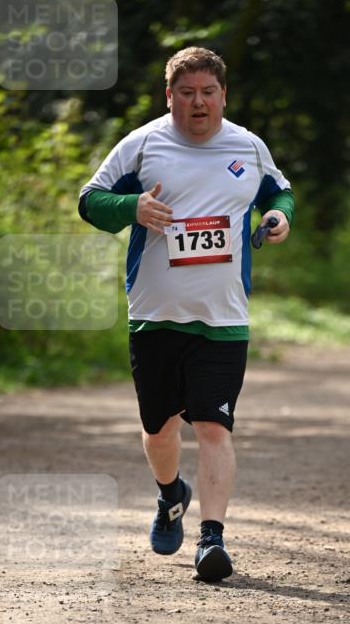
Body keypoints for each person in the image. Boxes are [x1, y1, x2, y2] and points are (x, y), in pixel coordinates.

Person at [78, 47, 294, 581]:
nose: (199, 103)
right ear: (169, 95)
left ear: (224, 95)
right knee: (159, 429)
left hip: (223, 318)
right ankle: (171, 493)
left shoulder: (247, 145)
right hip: (155, 314)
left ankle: (211, 540)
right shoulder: (144, 143)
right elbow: (90, 201)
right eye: (187, 93)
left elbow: (280, 193)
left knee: (213, 425)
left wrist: (277, 216)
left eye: (208, 92)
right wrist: (132, 207)